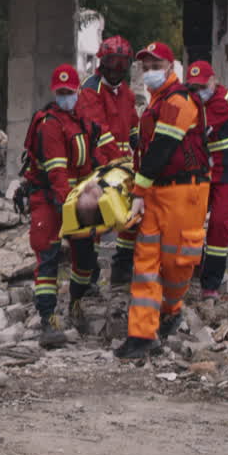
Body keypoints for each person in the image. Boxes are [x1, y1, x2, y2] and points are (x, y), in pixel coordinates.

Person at [114, 42, 210, 360]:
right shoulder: (158, 101)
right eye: (146, 67)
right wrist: (142, 190)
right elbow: (149, 151)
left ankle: (171, 310)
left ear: (171, 67)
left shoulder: (179, 101)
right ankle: (141, 336)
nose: (149, 72)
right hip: (157, 191)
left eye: (156, 66)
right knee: (145, 263)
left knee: (176, 263)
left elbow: (162, 148)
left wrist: (138, 192)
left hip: (184, 193)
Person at [20, 63, 100, 347]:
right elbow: (57, 173)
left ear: (78, 90)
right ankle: (47, 319)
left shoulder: (82, 121)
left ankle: (76, 303)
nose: (65, 96)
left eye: (69, 91)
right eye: (61, 92)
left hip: (75, 196)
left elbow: (93, 158)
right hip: (49, 196)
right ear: (55, 93)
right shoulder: (50, 124)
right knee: (48, 257)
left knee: (85, 256)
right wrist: (73, 206)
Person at [77, 35, 140, 285]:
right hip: (98, 165)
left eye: (123, 63)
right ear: (102, 62)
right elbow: (99, 132)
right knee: (94, 220)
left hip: (122, 165)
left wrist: (139, 146)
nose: (117, 69)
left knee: (130, 217)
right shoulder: (90, 90)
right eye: (113, 62)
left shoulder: (126, 93)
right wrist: (119, 164)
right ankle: (89, 277)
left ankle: (122, 267)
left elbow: (133, 125)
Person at [184, 61, 228, 299]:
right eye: (194, 88)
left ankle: (210, 284)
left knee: (219, 224)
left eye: (203, 86)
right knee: (190, 218)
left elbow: (196, 130)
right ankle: (191, 269)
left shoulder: (221, 100)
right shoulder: (195, 101)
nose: (199, 92)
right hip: (207, 170)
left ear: (214, 81)